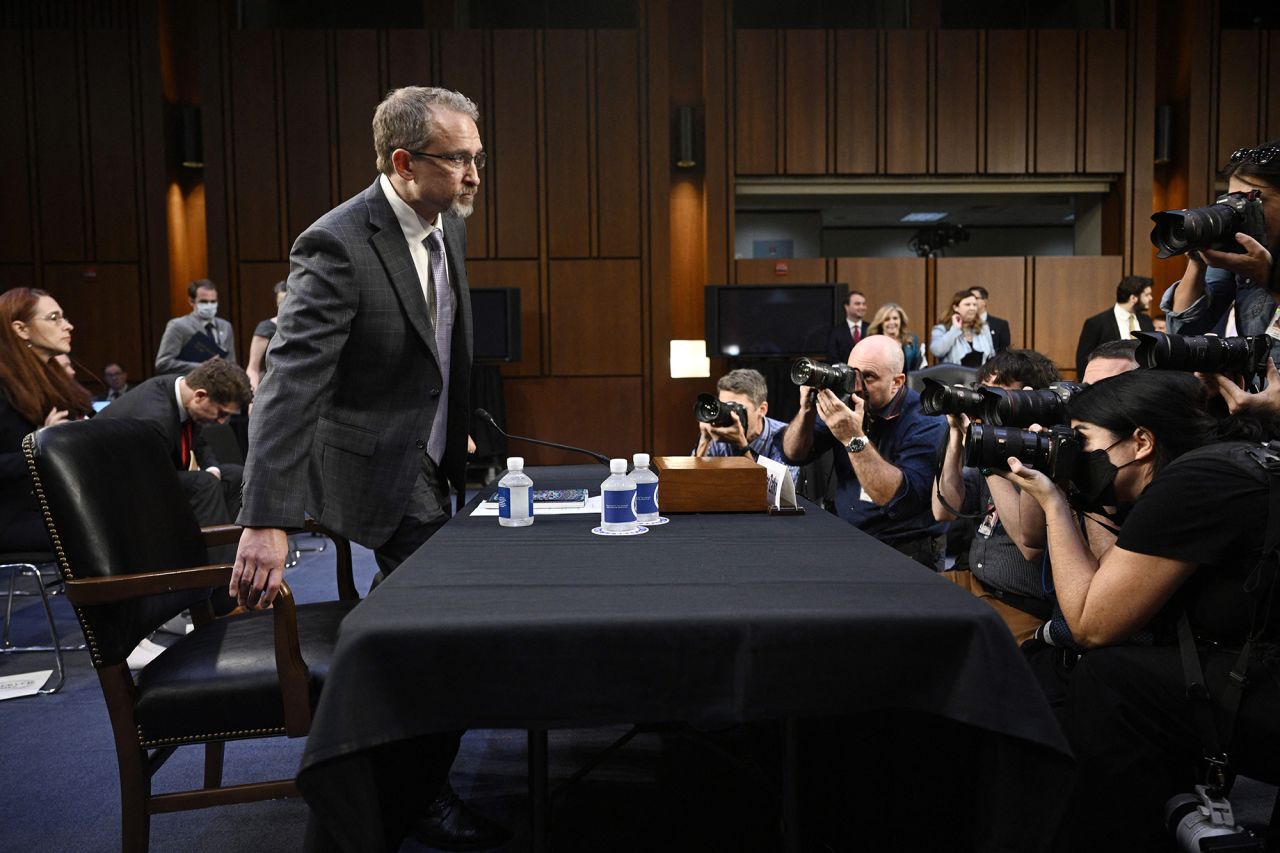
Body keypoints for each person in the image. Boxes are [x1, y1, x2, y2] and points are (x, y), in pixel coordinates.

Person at [229, 86, 503, 850]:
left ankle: (388, 769)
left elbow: (433, 349)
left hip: (436, 455)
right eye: (459, 161)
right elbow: (289, 385)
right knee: (450, 624)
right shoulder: (337, 243)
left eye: (480, 158)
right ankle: (394, 797)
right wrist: (268, 516)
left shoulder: (448, 225)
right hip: (375, 467)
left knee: (426, 625)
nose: (476, 175)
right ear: (404, 162)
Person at [998, 369, 1280, 852]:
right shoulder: (1223, 465)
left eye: (1081, 441)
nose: (1072, 454)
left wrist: (1053, 501)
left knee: (1108, 677)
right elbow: (1115, 579)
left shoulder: (1194, 481)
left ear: (1142, 442)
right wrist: (1081, 494)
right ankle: (1177, 811)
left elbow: (1092, 624)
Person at [782, 335, 948, 569]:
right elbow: (794, 454)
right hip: (848, 537)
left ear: (897, 382)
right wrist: (807, 410)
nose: (856, 385)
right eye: (852, 373)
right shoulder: (848, 402)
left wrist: (853, 438)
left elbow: (895, 498)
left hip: (905, 548)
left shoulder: (926, 421)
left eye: (868, 377)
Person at [933, 349, 1061, 643]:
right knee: (901, 611)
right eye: (984, 393)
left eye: (999, 395)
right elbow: (944, 511)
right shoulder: (990, 437)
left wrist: (987, 459)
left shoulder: (1045, 449)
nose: (987, 404)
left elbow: (1030, 546)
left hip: (1021, 603)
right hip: (972, 582)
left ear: (1032, 399)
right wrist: (955, 436)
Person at [1159, 141, 1280, 365]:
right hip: (1255, 394)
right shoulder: (1239, 255)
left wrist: (1266, 275)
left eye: (1254, 200)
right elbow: (1183, 330)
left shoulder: (1253, 264)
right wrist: (1198, 255)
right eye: (1235, 200)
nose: (1241, 210)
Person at [98, 358, 251, 527]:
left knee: (236, 476)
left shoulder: (184, 389)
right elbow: (148, 477)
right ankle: (214, 550)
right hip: (118, 484)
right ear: (200, 396)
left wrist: (212, 468)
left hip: (151, 470)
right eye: (221, 413)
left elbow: (197, 440)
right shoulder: (156, 420)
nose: (222, 421)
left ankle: (234, 543)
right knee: (204, 484)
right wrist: (207, 477)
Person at [0, 288, 92, 552]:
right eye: (54, 318)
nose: (68, 326)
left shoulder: (52, 378)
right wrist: (40, 447)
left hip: (48, 503)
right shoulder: (4, 386)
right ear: (21, 329)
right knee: (113, 522)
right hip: (12, 514)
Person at [693, 368, 798, 482]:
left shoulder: (787, 439)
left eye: (736, 409)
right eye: (724, 407)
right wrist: (704, 441)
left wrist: (742, 446)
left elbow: (779, 497)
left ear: (762, 410)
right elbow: (691, 484)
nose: (731, 416)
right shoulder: (718, 435)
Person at [1073, 275, 1154, 379]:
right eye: (1147, 295)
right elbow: (1083, 360)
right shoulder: (1097, 323)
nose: (1151, 298)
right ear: (1133, 298)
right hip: (1108, 387)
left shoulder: (1146, 320)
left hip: (1143, 383)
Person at [155, 278, 238, 374]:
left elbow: (232, 363)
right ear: (191, 301)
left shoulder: (225, 326)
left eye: (213, 301)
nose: (209, 305)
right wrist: (203, 366)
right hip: (189, 383)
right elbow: (163, 363)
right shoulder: (178, 326)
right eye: (204, 302)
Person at [929, 289, 994, 367]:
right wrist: (955, 329)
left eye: (974, 305)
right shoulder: (942, 329)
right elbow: (937, 351)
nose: (972, 308)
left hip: (979, 377)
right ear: (956, 307)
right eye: (967, 304)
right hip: (953, 377)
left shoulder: (983, 328)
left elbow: (992, 355)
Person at [246, 280, 287, 392]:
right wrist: (253, 396)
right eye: (280, 304)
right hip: (271, 387)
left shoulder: (306, 326)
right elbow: (253, 368)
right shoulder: (267, 327)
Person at [866, 302, 924, 372]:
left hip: (907, 382)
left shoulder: (912, 340)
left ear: (901, 321)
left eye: (895, 318)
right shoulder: (873, 343)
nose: (892, 322)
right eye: (887, 319)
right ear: (881, 323)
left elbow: (916, 367)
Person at [826, 289, 868, 365]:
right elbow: (832, 359)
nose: (862, 307)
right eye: (857, 304)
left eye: (864, 304)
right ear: (846, 307)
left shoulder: (871, 329)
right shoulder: (835, 332)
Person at [969, 286, 1011, 354]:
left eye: (975, 298)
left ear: (984, 301)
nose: (971, 301)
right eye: (968, 299)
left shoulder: (1000, 325)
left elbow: (1004, 353)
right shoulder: (961, 324)